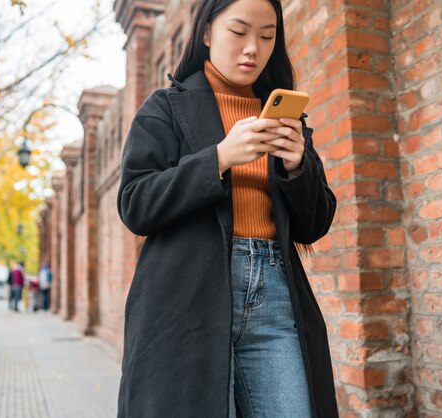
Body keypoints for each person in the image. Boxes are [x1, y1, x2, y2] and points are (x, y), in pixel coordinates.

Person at [116, 1, 338, 417]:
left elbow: (317, 222)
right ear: (205, 33)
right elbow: (135, 203)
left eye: (267, 36)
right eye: (239, 32)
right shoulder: (164, 108)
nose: (252, 48)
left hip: (275, 299)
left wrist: (297, 166)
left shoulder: (286, 119)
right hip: (187, 302)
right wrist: (217, 157)